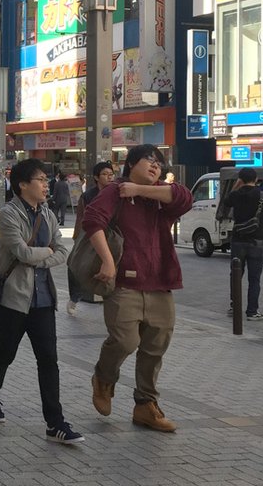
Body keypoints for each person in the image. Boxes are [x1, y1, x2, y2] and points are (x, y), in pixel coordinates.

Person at [82, 144, 192, 433]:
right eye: (148, 160)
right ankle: (103, 379)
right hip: (125, 284)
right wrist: (107, 262)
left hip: (160, 283)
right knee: (125, 341)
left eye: (159, 163)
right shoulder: (114, 191)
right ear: (130, 164)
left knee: (156, 348)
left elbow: (184, 198)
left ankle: (145, 405)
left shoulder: (158, 197)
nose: (155, 166)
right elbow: (92, 220)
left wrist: (141, 190)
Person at [0, 159, 84, 445]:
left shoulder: (49, 214)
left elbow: (63, 251)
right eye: (40, 179)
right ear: (23, 184)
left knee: (49, 360)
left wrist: (43, 256)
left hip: (43, 299)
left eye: (45, 179)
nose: (45, 183)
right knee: (6, 352)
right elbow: (22, 253)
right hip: (14, 298)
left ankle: (55, 423)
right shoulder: (8, 214)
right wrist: (45, 252)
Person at [219, 168, 263, 321]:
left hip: (237, 241)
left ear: (240, 180)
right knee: (254, 278)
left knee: (236, 274)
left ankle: (234, 306)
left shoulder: (235, 195)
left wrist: (237, 186)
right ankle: (252, 311)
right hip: (256, 242)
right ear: (256, 179)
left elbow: (226, 202)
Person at [68, 161, 116, 315]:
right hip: (92, 235)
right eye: (104, 174)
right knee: (75, 264)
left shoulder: (118, 193)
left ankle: (110, 298)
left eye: (111, 174)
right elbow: (81, 218)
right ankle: (74, 297)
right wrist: (77, 237)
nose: (109, 177)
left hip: (113, 237)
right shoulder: (88, 195)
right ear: (96, 177)